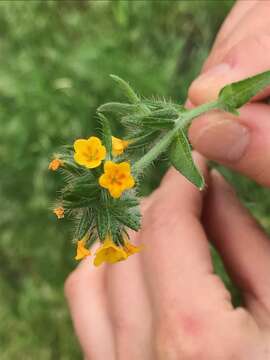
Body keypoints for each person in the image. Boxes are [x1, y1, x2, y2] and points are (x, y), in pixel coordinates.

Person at [64, 1, 270, 359]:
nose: (106, 168)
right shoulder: (115, 173)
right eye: (102, 164)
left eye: (98, 158)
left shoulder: (117, 171)